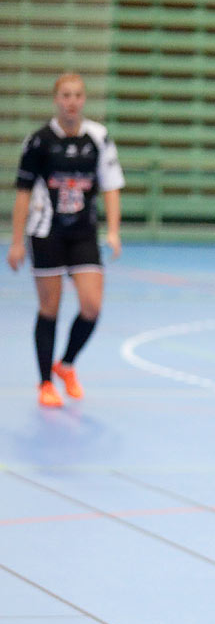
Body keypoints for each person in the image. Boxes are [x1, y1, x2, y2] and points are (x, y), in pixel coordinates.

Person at [8, 73, 125, 408]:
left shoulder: (98, 138)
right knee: (50, 307)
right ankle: (45, 381)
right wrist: (17, 242)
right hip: (46, 233)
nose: (71, 101)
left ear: (84, 99)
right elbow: (23, 194)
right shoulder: (39, 142)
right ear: (56, 99)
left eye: (77, 95)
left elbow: (111, 186)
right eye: (65, 95)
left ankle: (67, 364)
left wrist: (113, 231)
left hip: (83, 233)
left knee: (91, 306)